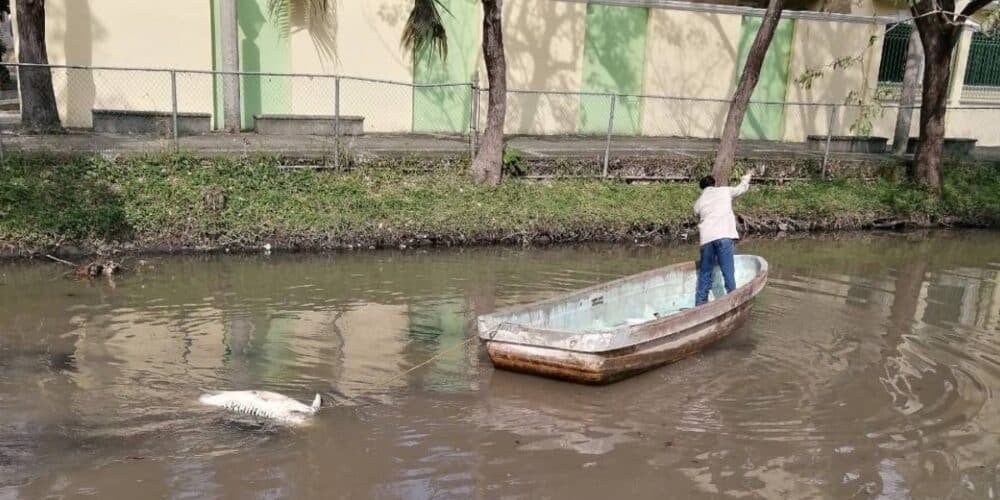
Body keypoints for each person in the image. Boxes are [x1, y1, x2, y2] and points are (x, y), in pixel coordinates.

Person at [693, 169, 756, 306]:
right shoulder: (724, 191)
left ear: (701, 188)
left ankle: (700, 304)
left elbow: (697, 214)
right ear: (714, 184)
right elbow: (741, 188)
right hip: (723, 237)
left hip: (707, 240)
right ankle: (733, 300)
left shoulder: (698, 202)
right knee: (728, 271)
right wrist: (747, 176)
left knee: (705, 274)